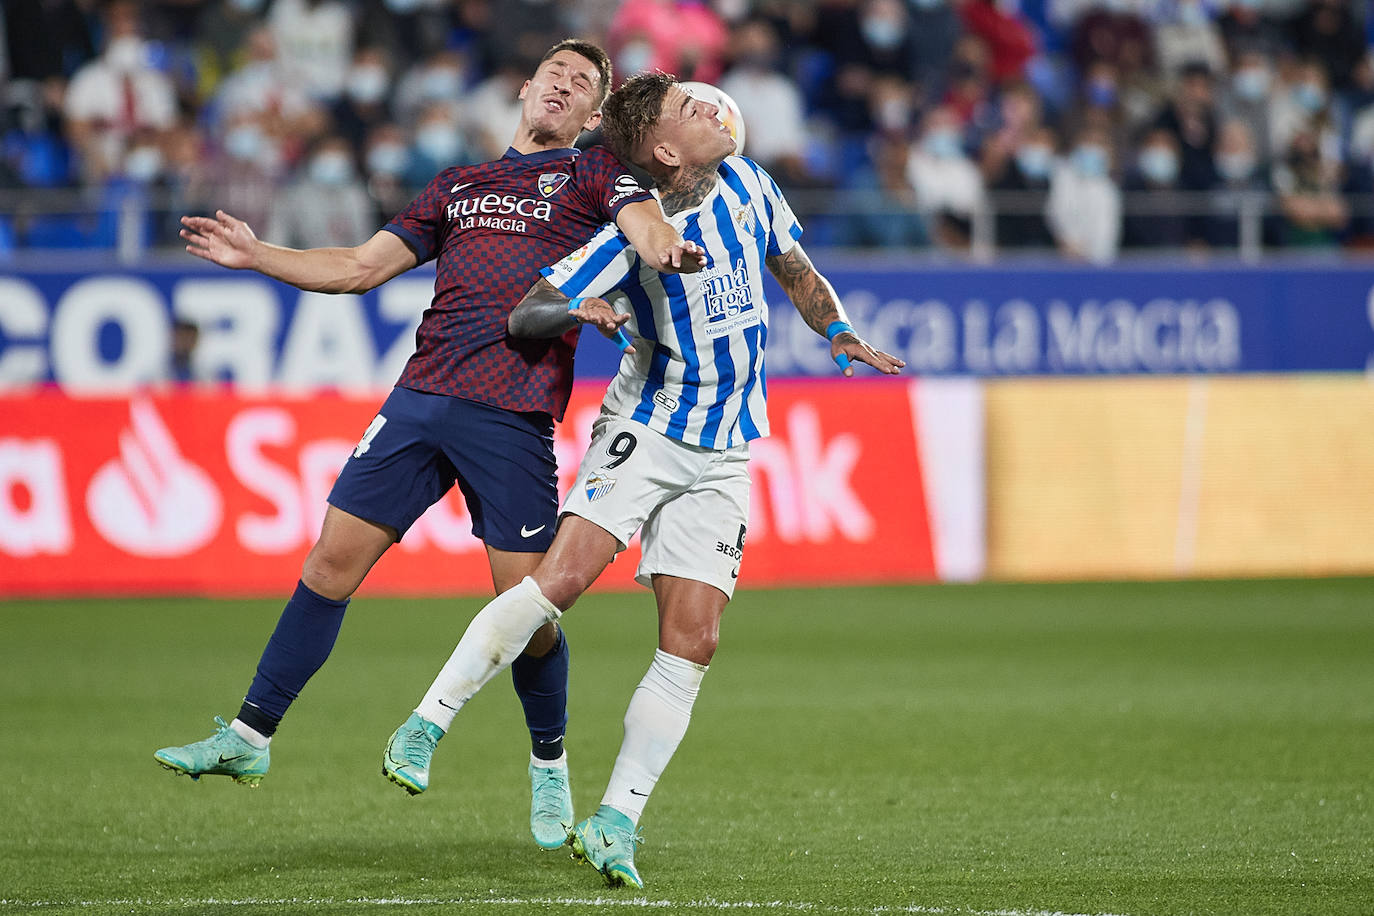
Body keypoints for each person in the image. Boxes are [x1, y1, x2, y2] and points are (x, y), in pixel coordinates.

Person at [152, 40, 703, 855]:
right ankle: (251, 735)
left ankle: (548, 763)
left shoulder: (592, 177)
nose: (564, 82)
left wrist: (658, 241)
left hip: (512, 414)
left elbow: (641, 219)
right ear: (523, 89)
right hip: (422, 396)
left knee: (532, 611)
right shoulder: (457, 184)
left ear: (592, 117)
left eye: (583, 83)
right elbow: (358, 267)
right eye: (555, 70)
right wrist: (258, 254)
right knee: (327, 566)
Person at [379, 72, 905, 890]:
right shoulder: (628, 237)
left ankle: (616, 820)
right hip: (649, 428)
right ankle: (426, 722)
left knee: (694, 642)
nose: (712, 105)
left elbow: (795, 266)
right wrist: (578, 313)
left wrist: (835, 328)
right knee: (558, 583)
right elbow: (528, 311)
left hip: (726, 449)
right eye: (687, 110)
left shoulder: (750, 184)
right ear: (664, 151)